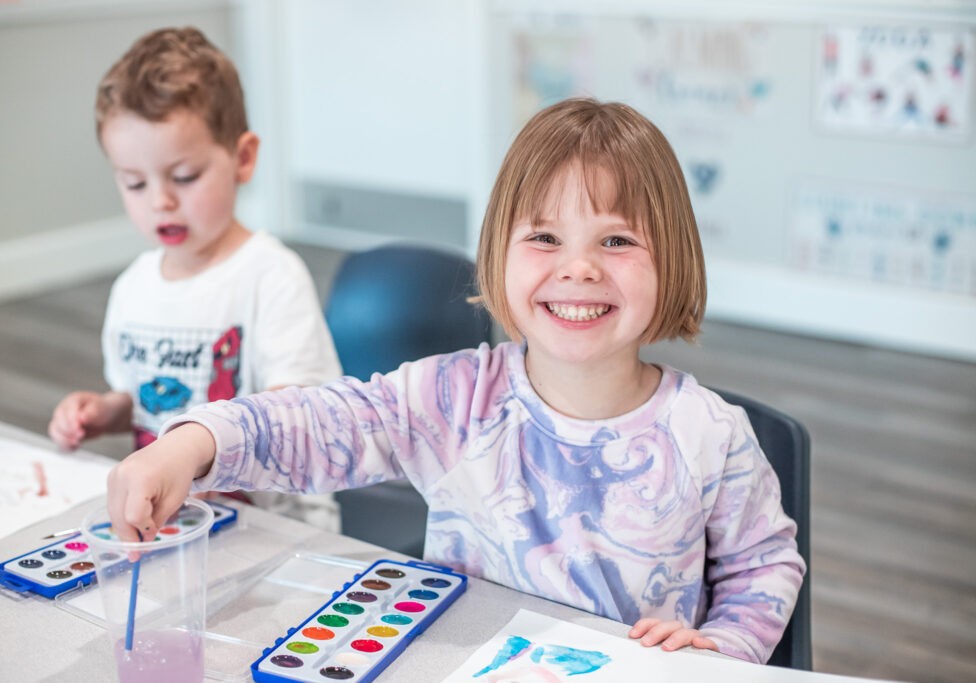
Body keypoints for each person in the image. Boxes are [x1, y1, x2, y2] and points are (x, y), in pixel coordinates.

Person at [105, 97, 805, 664]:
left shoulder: (712, 434)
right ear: (498, 254)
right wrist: (193, 440)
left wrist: (721, 648)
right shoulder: (452, 400)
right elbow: (324, 421)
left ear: (672, 258)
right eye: (544, 238)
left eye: (616, 241)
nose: (580, 268)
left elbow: (763, 569)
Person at [48, 27, 343, 528]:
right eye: (135, 183)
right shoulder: (133, 288)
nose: (160, 200)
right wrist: (106, 412)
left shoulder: (271, 275)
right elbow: (143, 401)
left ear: (243, 158)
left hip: (279, 530)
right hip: (178, 523)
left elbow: (302, 412)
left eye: (184, 177)